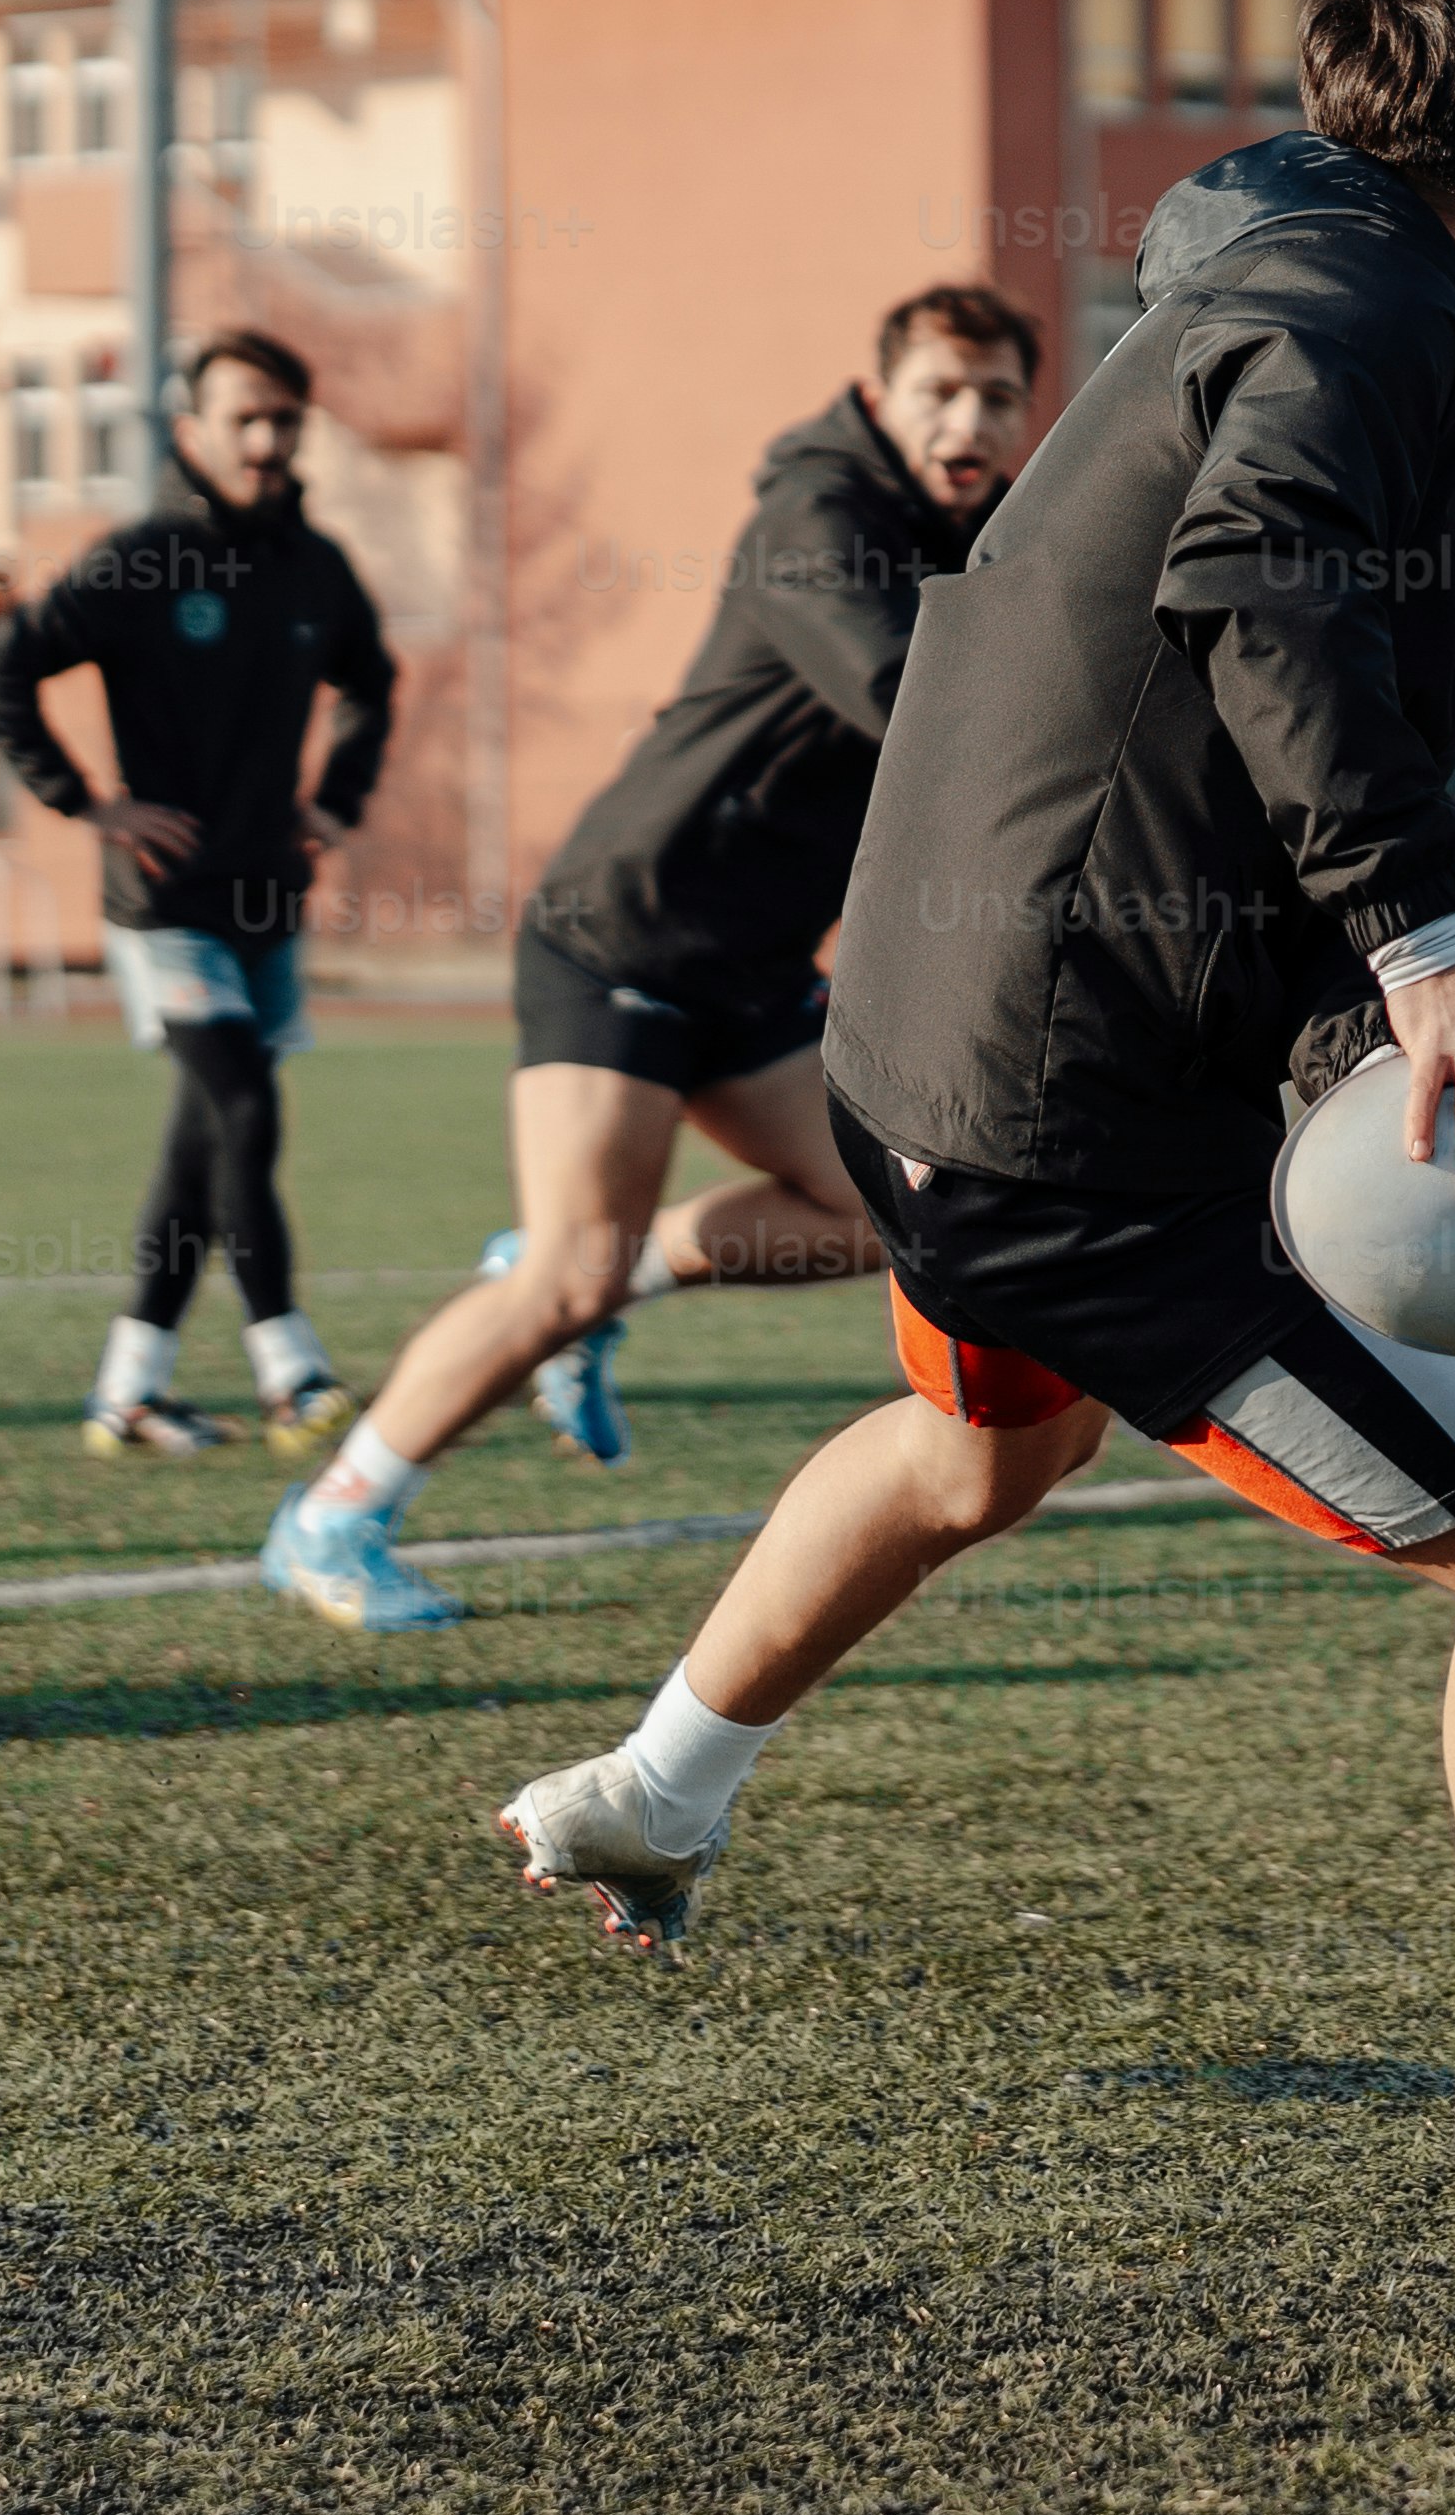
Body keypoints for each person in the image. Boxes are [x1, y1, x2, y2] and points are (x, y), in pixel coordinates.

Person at [491, 0, 1455, 2195]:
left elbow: (1178, 725)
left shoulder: (1271, 268)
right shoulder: (1361, 307)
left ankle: (654, 1786)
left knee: (971, 1455)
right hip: (1079, 1123)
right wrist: (1422, 951)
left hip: (933, 1061)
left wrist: (1358, 996)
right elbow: (1263, 586)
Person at [246, 282, 1032, 1628]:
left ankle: (619, 1273)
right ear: (879, 395)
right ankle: (332, 1517)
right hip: (624, 927)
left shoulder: (980, 532)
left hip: (756, 963)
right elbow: (912, 696)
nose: (968, 420)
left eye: (998, 397)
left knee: (895, 1212)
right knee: (564, 1273)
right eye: (939, 393)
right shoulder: (818, 513)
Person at [0, 330, 401, 1463]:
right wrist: (87, 803)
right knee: (245, 1107)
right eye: (244, 417)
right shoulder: (141, 559)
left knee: (205, 1141)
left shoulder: (318, 567)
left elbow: (373, 683)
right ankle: (292, 1370)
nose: (265, 439)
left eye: (284, 420)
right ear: (191, 431)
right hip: (163, 904)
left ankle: (129, 1390)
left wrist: (337, 801)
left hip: (268, 899)